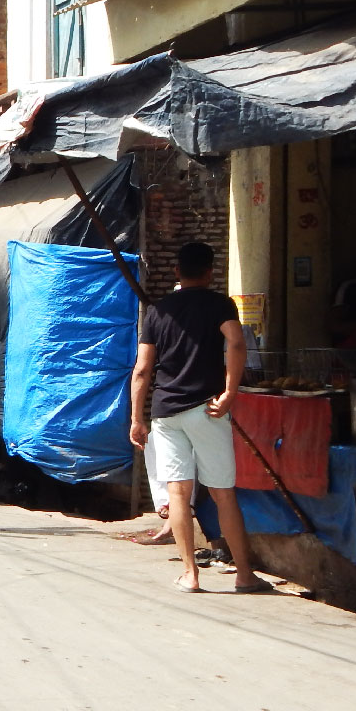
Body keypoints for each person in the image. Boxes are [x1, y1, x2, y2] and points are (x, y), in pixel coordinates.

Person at [130, 241, 268, 594]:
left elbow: (142, 371)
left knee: (177, 494)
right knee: (223, 494)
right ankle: (244, 575)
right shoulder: (221, 304)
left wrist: (137, 418)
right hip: (206, 409)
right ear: (209, 272)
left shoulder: (158, 311)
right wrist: (231, 391)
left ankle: (190, 575)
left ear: (177, 271)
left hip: (165, 414)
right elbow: (236, 344)